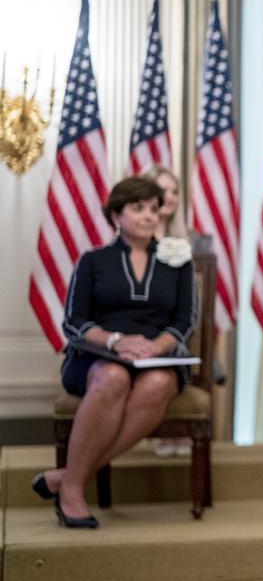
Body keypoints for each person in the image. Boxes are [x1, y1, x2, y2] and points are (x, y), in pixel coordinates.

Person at [31, 177, 196, 529]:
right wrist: (116, 341)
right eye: (137, 208)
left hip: (158, 357)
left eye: (153, 208)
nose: (148, 216)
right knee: (113, 376)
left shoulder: (176, 260)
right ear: (116, 215)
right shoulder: (93, 261)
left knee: (156, 385)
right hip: (97, 355)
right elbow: (74, 323)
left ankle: (68, 479)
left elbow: (184, 321)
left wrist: (156, 346)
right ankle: (74, 488)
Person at [142, 166, 208, 458]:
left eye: (174, 191)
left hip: (175, 334)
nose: (169, 197)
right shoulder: (129, 242)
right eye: (162, 189)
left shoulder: (191, 243)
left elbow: (189, 309)